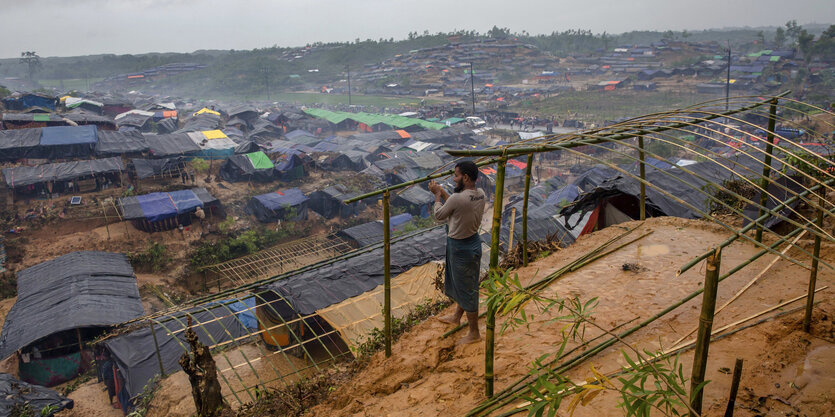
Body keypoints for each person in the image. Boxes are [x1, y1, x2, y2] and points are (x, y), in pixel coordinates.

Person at [428, 161, 486, 345]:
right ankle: (456, 317)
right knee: (466, 284)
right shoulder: (480, 194)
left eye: (456, 175)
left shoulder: (457, 199)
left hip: (460, 248)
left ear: (466, 177)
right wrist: (443, 193)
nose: (454, 179)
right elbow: (455, 203)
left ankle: (474, 333)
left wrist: (437, 195)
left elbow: (439, 215)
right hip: (473, 243)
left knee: (467, 289)